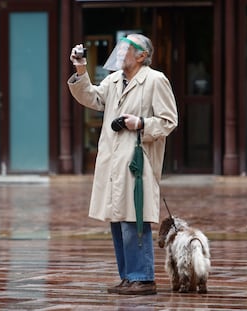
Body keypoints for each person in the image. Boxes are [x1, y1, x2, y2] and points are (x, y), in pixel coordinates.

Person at [67, 34, 178, 295]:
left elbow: (169, 120)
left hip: (138, 160)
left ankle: (143, 277)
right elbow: (92, 98)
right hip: (113, 159)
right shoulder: (114, 80)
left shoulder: (155, 80)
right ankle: (128, 277)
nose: (121, 51)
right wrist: (81, 68)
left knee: (134, 218)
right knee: (117, 218)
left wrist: (140, 123)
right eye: (121, 46)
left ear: (142, 55)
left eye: (127, 48)